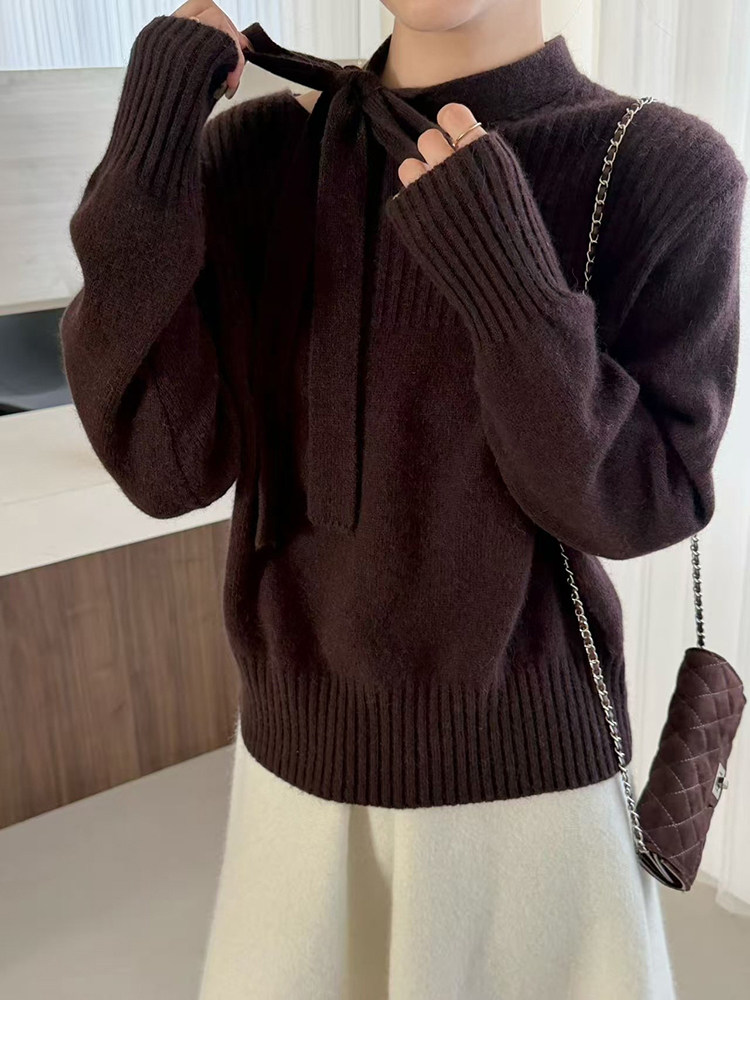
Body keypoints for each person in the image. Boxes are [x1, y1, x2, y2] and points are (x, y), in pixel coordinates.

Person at [60, 0, 747, 1000]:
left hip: (532, 811)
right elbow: (166, 468)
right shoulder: (257, 155)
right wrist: (151, 142)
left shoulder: (656, 167)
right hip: (291, 796)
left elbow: (641, 504)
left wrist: (512, 288)